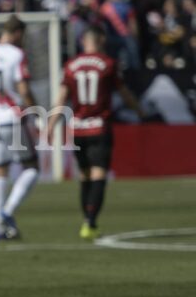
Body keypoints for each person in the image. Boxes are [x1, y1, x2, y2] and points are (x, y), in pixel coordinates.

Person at [46, 26, 143, 240]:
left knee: (84, 174)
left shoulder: (71, 65)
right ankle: (91, 221)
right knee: (99, 173)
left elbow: (61, 98)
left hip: (78, 128)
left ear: (84, 41)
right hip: (100, 126)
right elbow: (124, 93)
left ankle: (86, 220)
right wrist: (139, 110)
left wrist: (51, 124)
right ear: (100, 40)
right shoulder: (108, 64)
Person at [0, 15, 39, 241]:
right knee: (31, 167)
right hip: (12, 118)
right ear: (18, 33)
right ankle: (7, 211)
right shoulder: (17, 55)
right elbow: (23, 88)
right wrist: (35, 112)